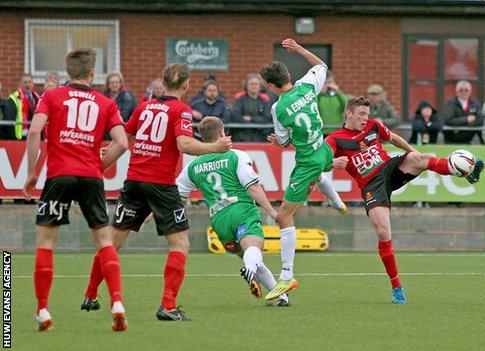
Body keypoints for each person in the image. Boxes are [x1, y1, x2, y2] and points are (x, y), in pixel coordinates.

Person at [81, 63, 232, 322]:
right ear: (186, 85)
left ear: (162, 83)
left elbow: (121, 143)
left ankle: (91, 295)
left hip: (134, 182)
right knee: (180, 244)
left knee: (112, 242)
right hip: (161, 185)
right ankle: (168, 306)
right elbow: (184, 144)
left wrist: (98, 168)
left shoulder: (144, 106)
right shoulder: (182, 111)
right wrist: (216, 147)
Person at [325, 96, 484, 304]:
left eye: (367, 114)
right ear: (348, 113)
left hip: (389, 168)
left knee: (421, 158)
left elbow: (393, 138)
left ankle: (465, 173)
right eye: (361, 114)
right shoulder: (335, 139)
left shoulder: (374, 126)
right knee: (383, 232)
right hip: (371, 185)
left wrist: (411, 152)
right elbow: (320, 163)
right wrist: (333, 163)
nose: (366, 118)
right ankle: (397, 287)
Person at [22, 47, 129, 332]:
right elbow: (122, 142)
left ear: (69, 72)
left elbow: (34, 131)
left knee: (46, 242)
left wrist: (32, 173)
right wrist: (99, 165)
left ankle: (43, 310)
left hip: (59, 175)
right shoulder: (106, 103)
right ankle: (116, 302)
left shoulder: (52, 96)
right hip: (91, 177)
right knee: (104, 241)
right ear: (92, 73)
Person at [259, 38, 347, 301]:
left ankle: (286, 276)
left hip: (307, 160)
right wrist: (298, 50)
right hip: (322, 148)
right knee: (321, 174)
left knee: (283, 217)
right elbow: (322, 64)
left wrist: (278, 141)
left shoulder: (279, 107)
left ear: (273, 86)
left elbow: (285, 141)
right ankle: (337, 202)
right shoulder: (308, 85)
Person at [176, 117, 290, 306]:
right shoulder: (236, 155)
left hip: (219, 221)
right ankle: (251, 271)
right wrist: (272, 211)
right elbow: (252, 188)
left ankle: (281, 296)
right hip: (241, 210)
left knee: (251, 258)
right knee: (253, 251)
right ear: (221, 133)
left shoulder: (192, 167)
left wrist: (152, 212)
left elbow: (176, 196)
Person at [230, 74, 272, 142]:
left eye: (256, 84)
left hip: (259, 137)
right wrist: (252, 123)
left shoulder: (265, 100)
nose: (254, 86)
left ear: (259, 86)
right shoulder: (239, 98)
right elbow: (236, 116)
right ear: (246, 86)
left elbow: (267, 118)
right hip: (240, 137)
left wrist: (251, 118)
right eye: (252, 84)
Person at [2, 73, 41, 140]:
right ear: (20, 84)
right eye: (25, 82)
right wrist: (13, 138)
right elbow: (9, 119)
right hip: (20, 137)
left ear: (33, 84)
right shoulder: (14, 98)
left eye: (29, 82)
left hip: (35, 136)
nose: (27, 84)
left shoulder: (37, 98)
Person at [317, 71, 348, 136]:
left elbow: (347, 106)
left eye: (330, 82)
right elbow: (314, 107)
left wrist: (338, 92)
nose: (328, 85)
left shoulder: (338, 97)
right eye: (325, 83)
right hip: (322, 132)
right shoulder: (319, 97)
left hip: (337, 131)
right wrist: (319, 93)